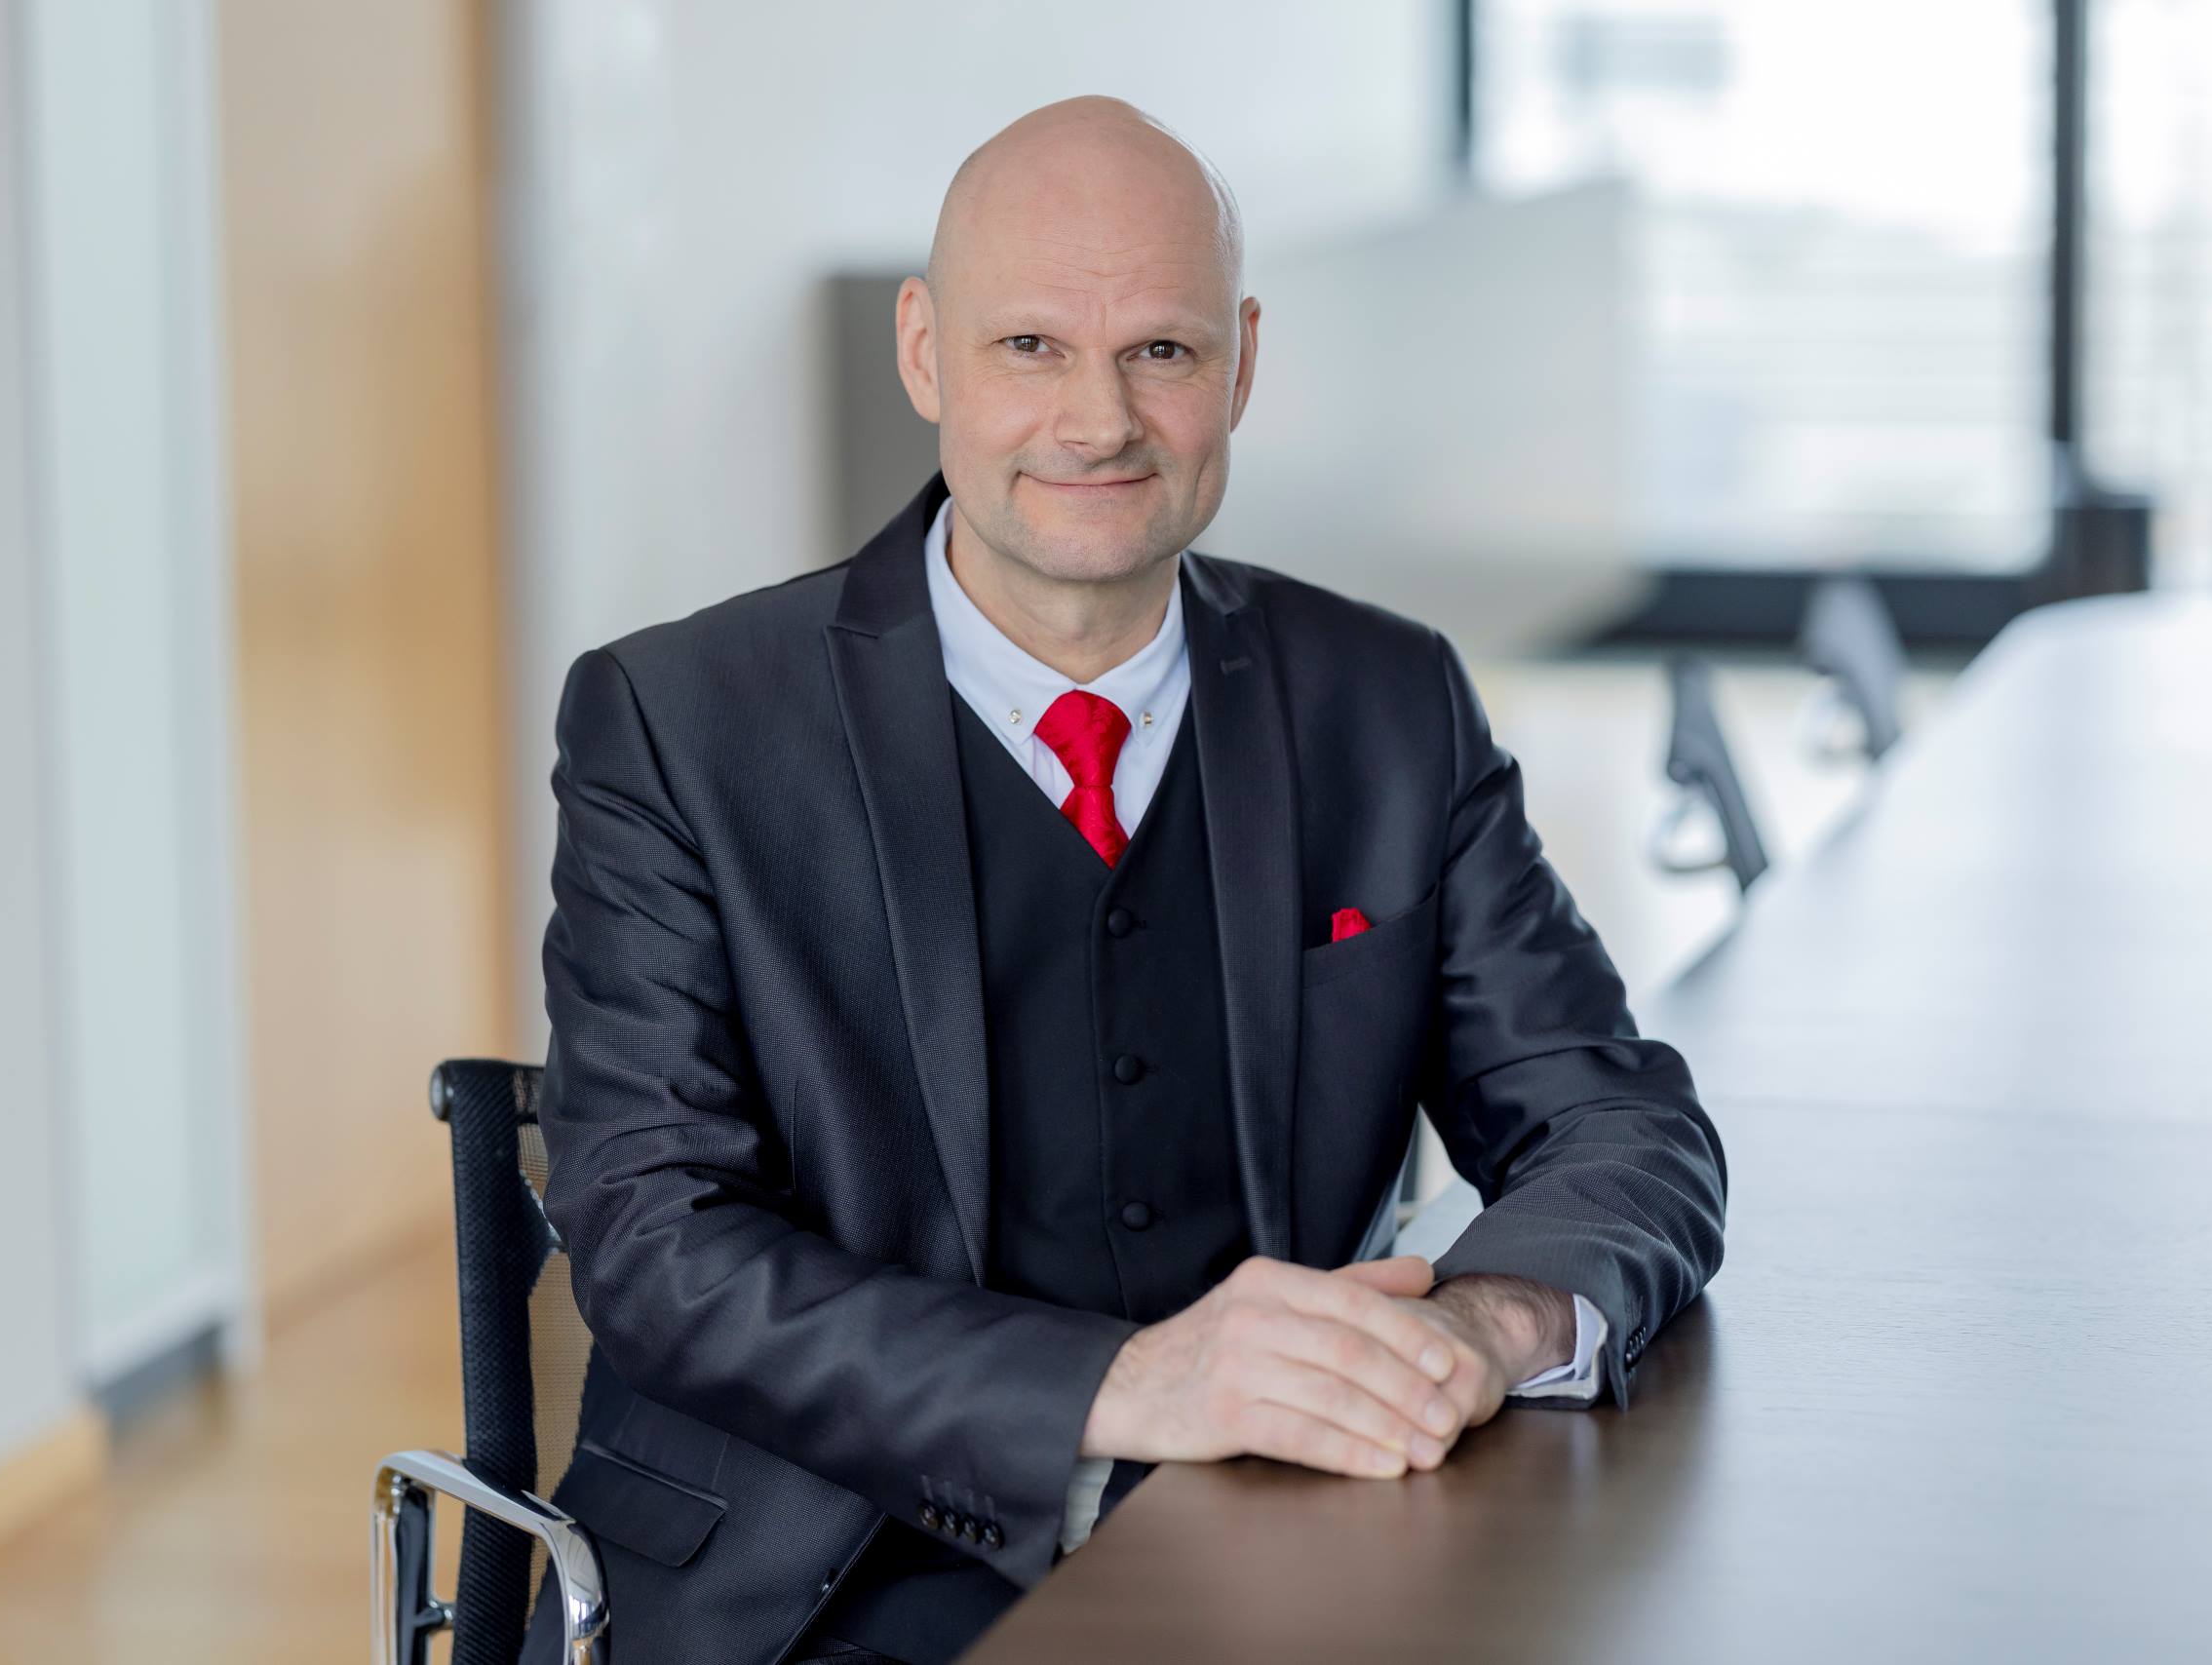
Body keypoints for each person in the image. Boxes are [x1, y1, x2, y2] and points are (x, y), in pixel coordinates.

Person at [522, 95, 1727, 1665]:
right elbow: (654, 1243)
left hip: (1277, 1555)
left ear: (1241, 363)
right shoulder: (680, 723)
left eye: (1160, 350)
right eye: (1030, 347)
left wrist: (1478, 1327)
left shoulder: (1386, 706)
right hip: (814, 1589)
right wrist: (1127, 1385)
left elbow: (1621, 1122)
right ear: (924, 354)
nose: (1097, 423)